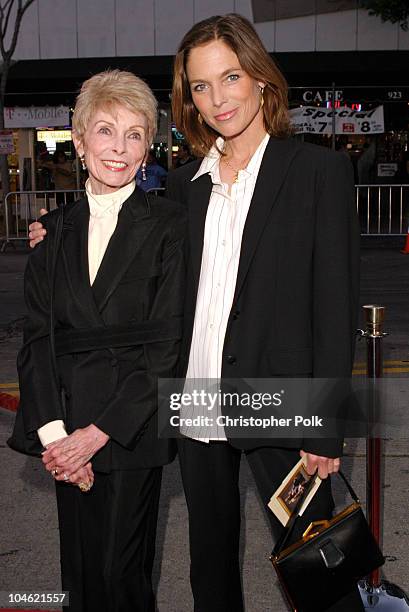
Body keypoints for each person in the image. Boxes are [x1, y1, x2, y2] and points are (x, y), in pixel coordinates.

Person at [28, 14, 361, 612]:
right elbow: (120, 236)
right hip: (198, 405)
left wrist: (324, 426)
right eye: (201, 87)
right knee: (209, 571)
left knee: (320, 570)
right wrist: (49, 232)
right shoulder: (184, 187)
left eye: (230, 77)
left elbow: (333, 310)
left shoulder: (318, 172)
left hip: (280, 400)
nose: (217, 98)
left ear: (261, 79)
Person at [9, 69, 185, 612]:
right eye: (106, 131)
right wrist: (58, 437)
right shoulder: (51, 232)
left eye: (135, 134)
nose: (120, 148)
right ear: (79, 141)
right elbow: (37, 340)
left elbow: (168, 344)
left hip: (128, 427)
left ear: (148, 147)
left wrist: (96, 434)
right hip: (65, 426)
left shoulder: (169, 225)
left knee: (120, 578)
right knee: (79, 577)